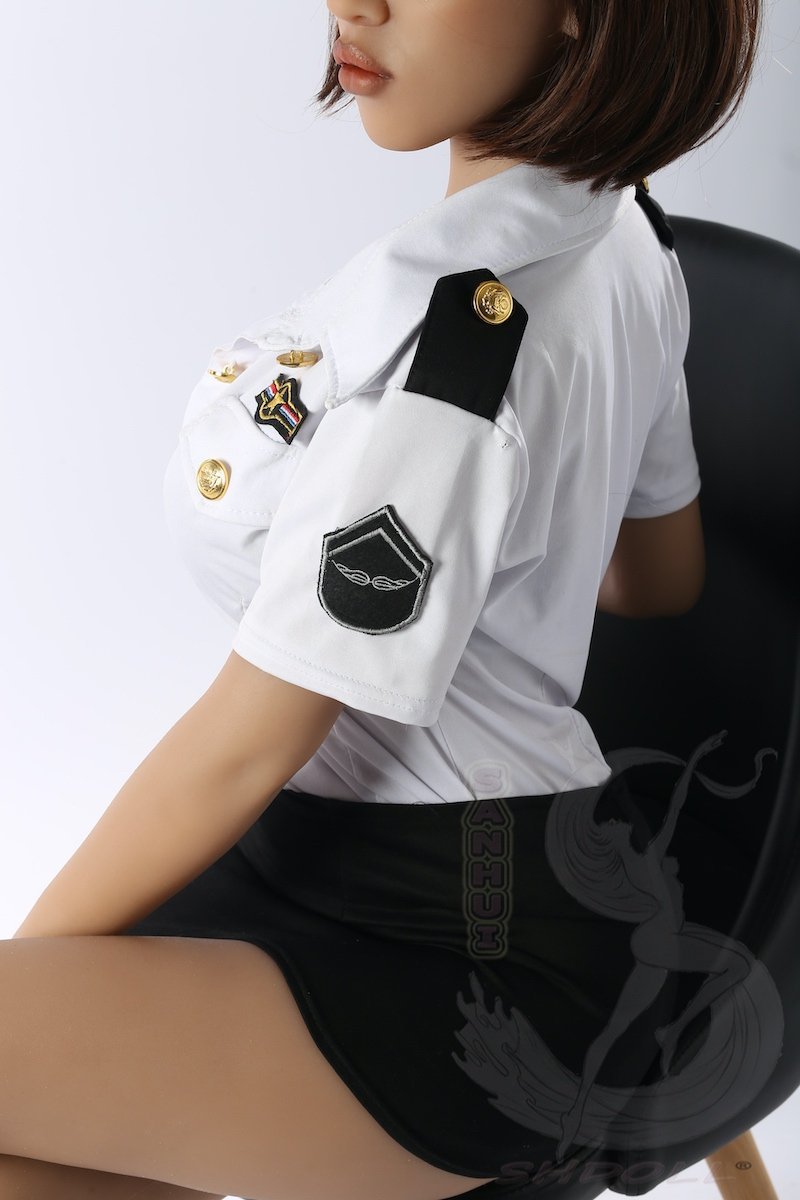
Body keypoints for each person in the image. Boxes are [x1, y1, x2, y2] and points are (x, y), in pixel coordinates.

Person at [4, 1, 764, 1198]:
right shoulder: (627, 237)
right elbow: (656, 580)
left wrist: (27, 986)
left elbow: (244, 745)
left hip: (477, 958)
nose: (354, 6)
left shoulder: (448, 367)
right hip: (405, 863)